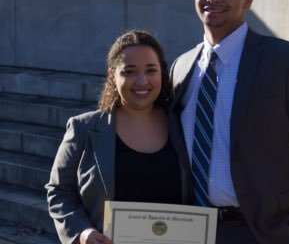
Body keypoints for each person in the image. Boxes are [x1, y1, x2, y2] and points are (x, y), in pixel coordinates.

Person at [169, 0, 289, 244]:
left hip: (261, 230)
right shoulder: (181, 67)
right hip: (191, 227)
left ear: (247, 0)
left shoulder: (285, 60)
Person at [46, 30, 189, 244]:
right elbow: (59, 192)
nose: (142, 81)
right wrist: (83, 232)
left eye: (151, 70)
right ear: (113, 76)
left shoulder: (183, 125)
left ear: (162, 73)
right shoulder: (84, 128)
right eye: (129, 72)